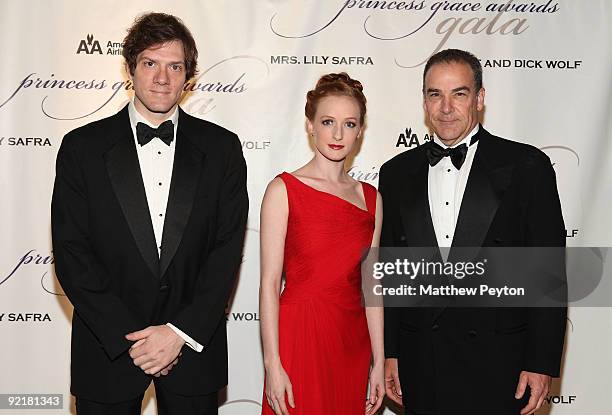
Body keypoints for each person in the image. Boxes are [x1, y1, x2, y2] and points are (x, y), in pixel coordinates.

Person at [51, 12, 248, 415]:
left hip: (192, 351)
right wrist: (133, 341)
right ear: (130, 69)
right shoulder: (81, 148)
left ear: (188, 76)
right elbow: (72, 253)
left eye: (174, 66)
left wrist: (179, 332)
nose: (162, 78)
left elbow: (226, 252)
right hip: (107, 351)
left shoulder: (223, 149)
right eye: (150, 63)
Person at [379, 49, 566, 415]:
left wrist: (540, 362)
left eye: (459, 93)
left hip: (501, 363)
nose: (446, 107)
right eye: (435, 94)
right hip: (421, 360)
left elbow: (549, 273)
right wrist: (391, 352)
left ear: (479, 98)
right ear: (424, 101)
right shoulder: (396, 173)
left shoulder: (527, 166)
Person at [259, 73, 385, 415]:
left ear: (360, 131)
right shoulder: (283, 190)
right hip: (300, 336)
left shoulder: (371, 198)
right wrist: (273, 363)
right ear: (310, 125)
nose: (338, 134)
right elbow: (270, 283)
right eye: (328, 122)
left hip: (352, 342)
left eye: (349, 123)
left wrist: (379, 361)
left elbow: (372, 287)